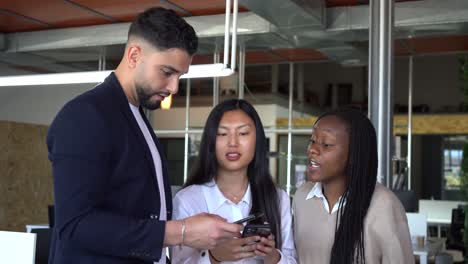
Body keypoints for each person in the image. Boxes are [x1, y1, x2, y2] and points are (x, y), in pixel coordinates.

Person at [46, 7, 242, 264]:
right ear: (134, 55)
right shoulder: (85, 116)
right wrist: (181, 232)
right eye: (167, 72)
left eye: (179, 76)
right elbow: (76, 225)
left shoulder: (136, 116)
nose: (173, 87)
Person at [171, 99, 297, 264]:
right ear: (211, 141)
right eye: (222, 134)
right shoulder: (188, 200)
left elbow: (292, 260)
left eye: (243, 133)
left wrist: (272, 256)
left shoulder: (277, 199)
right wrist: (214, 256)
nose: (233, 143)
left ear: (257, 140)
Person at [293, 108, 414, 264]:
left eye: (326, 144)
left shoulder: (385, 205)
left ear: (354, 153)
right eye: (312, 141)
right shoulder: (302, 197)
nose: (312, 150)